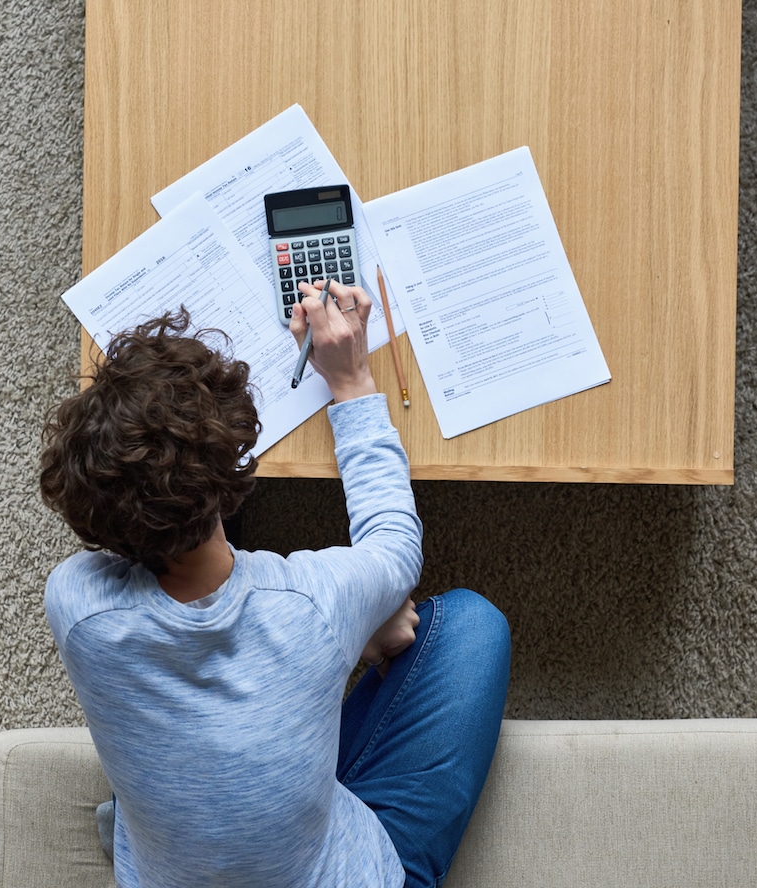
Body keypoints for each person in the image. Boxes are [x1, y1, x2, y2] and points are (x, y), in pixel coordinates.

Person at [39, 279, 511, 888]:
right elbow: (394, 543)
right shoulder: (314, 602)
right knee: (472, 624)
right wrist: (351, 382)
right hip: (339, 871)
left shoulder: (76, 604)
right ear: (233, 465)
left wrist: (352, 627)